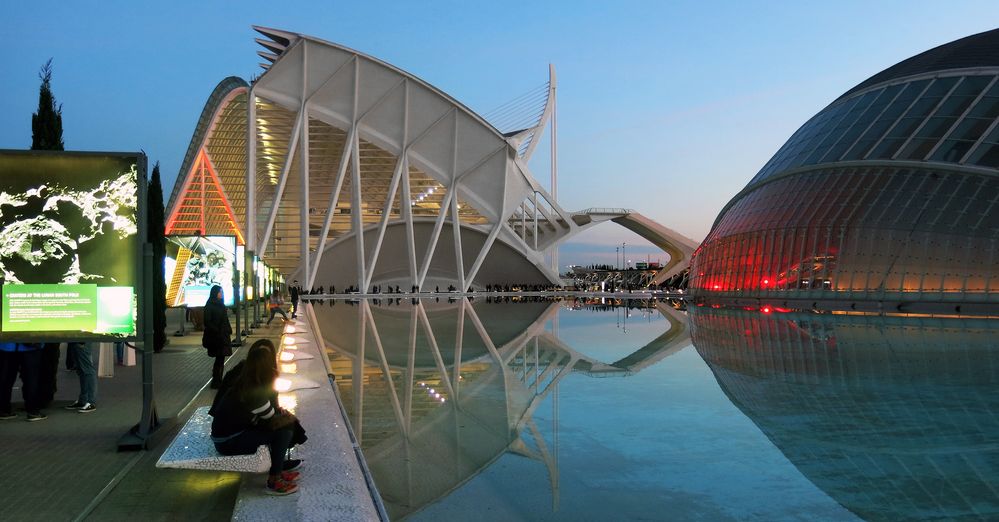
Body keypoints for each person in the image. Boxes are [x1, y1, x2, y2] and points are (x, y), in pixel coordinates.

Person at [210, 339, 302, 495]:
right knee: (283, 431)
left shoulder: (244, 381)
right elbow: (271, 419)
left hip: (224, 436)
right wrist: (285, 415)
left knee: (282, 426)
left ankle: (278, 466)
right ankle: (274, 480)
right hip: (228, 442)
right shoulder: (255, 391)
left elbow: (267, 415)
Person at [0, 342, 46, 421]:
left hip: (7, 344)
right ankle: (33, 411)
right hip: (30, 343)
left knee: (6, 378)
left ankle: (3, 410)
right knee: (31, 378)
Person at [202, 285, 233, 389]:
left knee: (221, 358)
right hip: (216, 336)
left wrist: (228, 329)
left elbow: (225, 319)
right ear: (215, 293)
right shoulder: (210, 305)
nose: (222, 294)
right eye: (220, 292)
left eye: (222, 292)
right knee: (219, 358)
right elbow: (207, 321)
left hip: (223, 335)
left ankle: (218, 379)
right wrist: (217, 330)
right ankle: (216, 380)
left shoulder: (221, 304)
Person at [64, 342, 97, 412]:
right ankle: (83, 400)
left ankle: (91, 401)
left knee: (87, 370)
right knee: (81, 370)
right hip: (75, 341)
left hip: (82, 340)